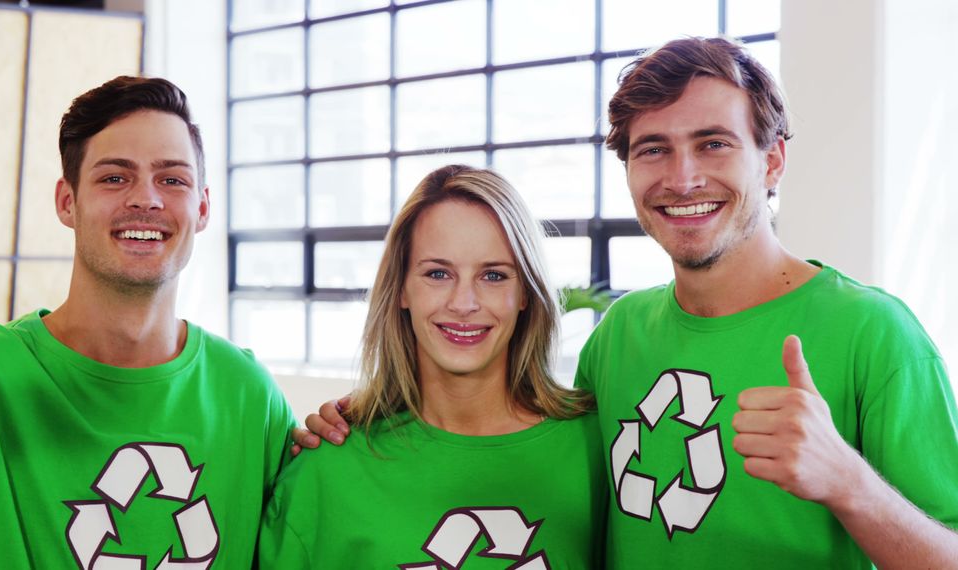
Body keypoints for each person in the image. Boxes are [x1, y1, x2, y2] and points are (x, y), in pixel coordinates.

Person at [297, 38, 958, 568]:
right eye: (654, 150)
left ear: (774, 160)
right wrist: (379, 406)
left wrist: (850, 484)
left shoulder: (874, 333)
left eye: (713, 143)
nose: (683, 177)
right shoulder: (620, 336)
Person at [0, 76, 294, 568]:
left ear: (201, 208)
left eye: (173, 179)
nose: (147, 199)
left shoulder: (247, 391)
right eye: (115, 177)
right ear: (66, 201)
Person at [260, 165, 606, 568]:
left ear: (525, 293)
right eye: (438, 273)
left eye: (493, 275)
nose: (463, 303)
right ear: (402, 288)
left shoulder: (596, 449)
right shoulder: (328, 468)